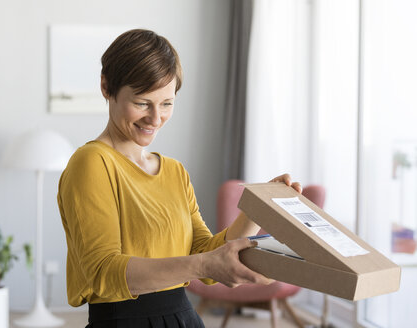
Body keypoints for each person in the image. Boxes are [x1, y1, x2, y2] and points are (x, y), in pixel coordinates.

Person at [57, 29, 302, 328]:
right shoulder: (92, 163)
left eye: (167, 103)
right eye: (143, 103)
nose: (155, 118)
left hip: (184, 319)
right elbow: (102, 272)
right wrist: (203, 265)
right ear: (107, 87)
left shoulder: (174, 171)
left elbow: (205, 257)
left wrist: (258, 208)